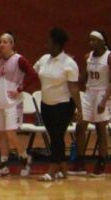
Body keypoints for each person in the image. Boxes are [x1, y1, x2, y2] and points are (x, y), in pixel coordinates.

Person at [0, 32, 39, 177]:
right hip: (0, 102)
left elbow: (33, 74)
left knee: (10, 133)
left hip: (12, 103)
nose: (1, 44)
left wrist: (20, 89)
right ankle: (3, 166)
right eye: (0, 42)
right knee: (2, 134)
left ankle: (25, 159)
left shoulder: (19, 59)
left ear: (12, 44)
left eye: (5, 42)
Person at [33, 28, 82, 182]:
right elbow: (32, 71)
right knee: (54, 135)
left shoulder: (69, 63)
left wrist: (80, 109)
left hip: (63, 105)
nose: (46, 43)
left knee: (56, 135)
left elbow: (74, 88)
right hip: (46, 103)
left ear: (57, 44)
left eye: (49, 41)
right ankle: (63, 169)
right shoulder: (43, 59)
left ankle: (53, 168)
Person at [69, 30, 111, 177]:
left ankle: (101, 163)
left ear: (102, 41)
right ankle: (80, 162)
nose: (91, 43)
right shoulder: (87, 57)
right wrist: (72, 66)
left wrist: (104, 100)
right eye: (90, 40)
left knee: (100, 129)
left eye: (94, 40)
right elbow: (83, 78)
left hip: (103, 93)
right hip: (89, 93)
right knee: (80, 127)